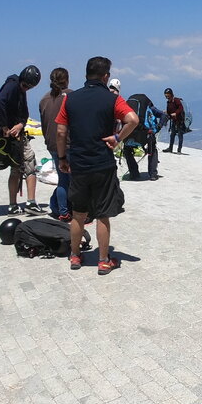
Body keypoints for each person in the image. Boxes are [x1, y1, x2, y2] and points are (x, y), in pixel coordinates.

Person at [55, 56, 138, 275]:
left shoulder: (70, 99)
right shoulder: (112, 99)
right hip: (102, 164)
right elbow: (133, 119)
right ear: (106, 76)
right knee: (102, 215)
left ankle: (74, 256)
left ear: (86, 74)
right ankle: (103, 260)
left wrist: (63, 159)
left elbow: (61, 131)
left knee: (78, 214)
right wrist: (117, 138)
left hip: (78, 164)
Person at [0, 65, 45, 215]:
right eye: (25, 86)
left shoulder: (16, 86)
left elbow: (24, 112)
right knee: (30, 162)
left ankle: (13, 205)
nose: (26, 89)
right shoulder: (13, 86)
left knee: (15, 168)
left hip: (14, 134)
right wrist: (4, 126)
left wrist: (20, 124)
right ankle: (31, 203)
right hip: (13, 135)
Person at [38, 68, 72, 220]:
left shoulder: (44, 100)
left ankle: (62, 210)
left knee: (62, 179)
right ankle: (72, 211)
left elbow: (44, 125)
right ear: (67, 80)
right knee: (72, 180)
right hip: (69, 143)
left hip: (52, 144)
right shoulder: (71, 96)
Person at [121, 93, 164, 182]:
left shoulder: (129, 104)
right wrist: (159, 126)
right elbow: (163, 115)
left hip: (128, 134)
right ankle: (153, 174)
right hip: (144, 134)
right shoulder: (149, 107)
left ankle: (134, 174)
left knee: (127, 150)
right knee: (152, 149)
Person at [163, 88, 187, 154]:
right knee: (172, 134)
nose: (167, 97)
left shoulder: (176, 100)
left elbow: (180, 108)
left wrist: (176, 113)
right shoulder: (169, 102)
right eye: (166, 96)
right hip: (174, 120)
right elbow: (169, 111)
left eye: (167, 95)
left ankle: (179, 150)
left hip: (179, 120)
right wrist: (166, 112)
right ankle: (170, 148)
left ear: (171, 94)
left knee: (180, 135)